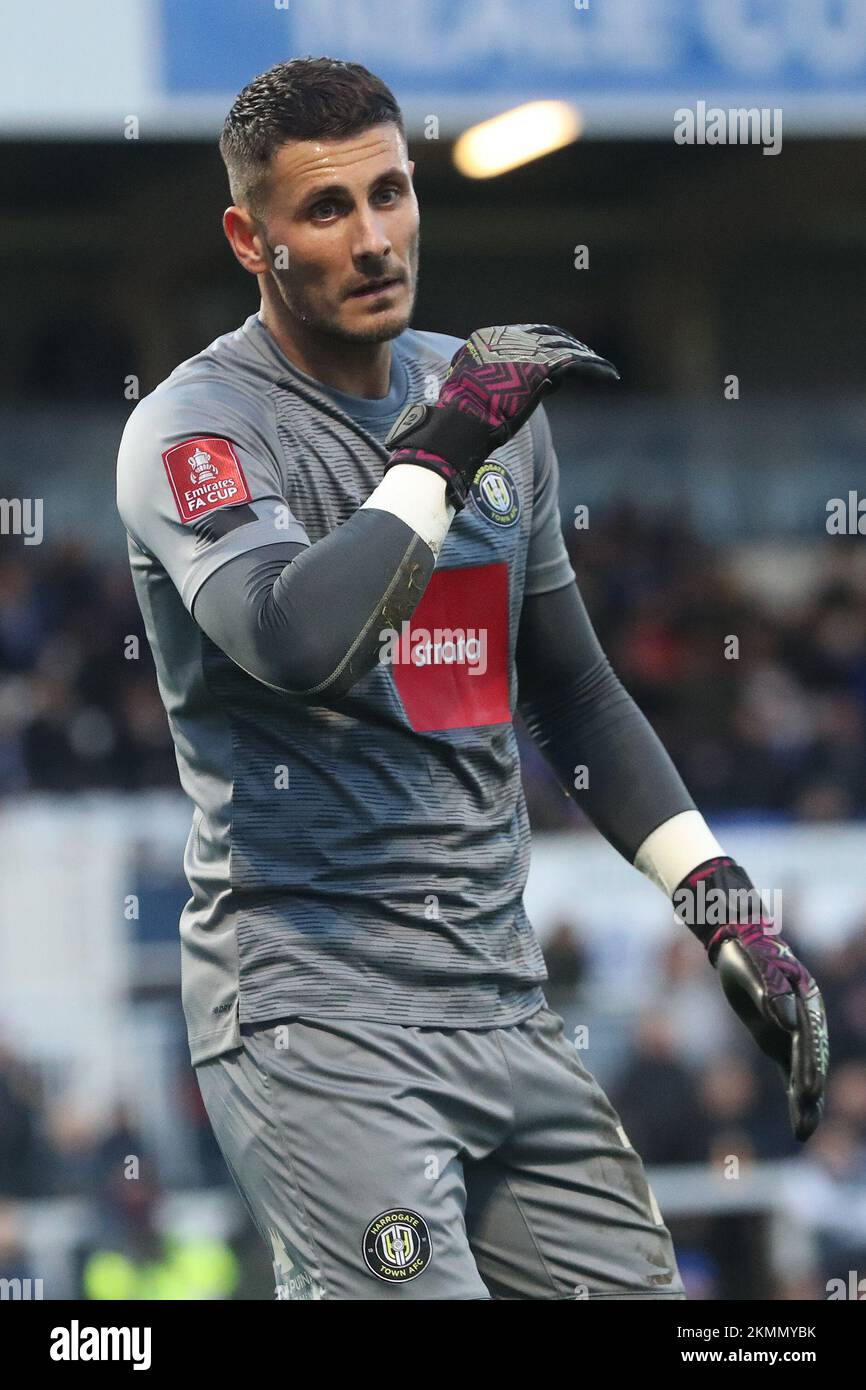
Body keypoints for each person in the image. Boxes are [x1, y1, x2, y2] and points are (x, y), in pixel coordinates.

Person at [116, 56, 828, 1300]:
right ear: (250, 237)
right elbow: (293, 637)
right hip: (313, 1013)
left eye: (390, 193)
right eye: (326, 211)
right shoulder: (197, 430)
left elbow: (572, 690)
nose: (376, 237)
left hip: (501, 1004)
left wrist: (721, 906)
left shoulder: (489, 407)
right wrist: (445, 441)